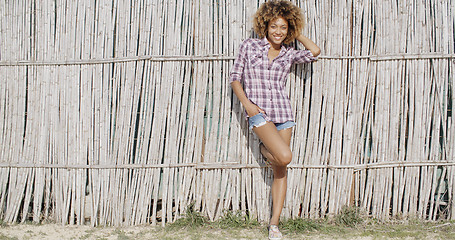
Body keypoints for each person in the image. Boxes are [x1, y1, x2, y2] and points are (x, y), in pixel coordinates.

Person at [229, 1, 320, 239]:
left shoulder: (289, 52)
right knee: (285, 156)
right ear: (265, 26)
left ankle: (274, 224)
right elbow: (235, 78)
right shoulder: (249, 46)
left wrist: (296, 32)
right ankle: (263, 147)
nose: (278, 31)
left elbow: (314, 52)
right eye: (274, 26)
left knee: (281, 169)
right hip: (259, 113)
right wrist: (247, 105)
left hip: (283, 114)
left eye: (283, 27)